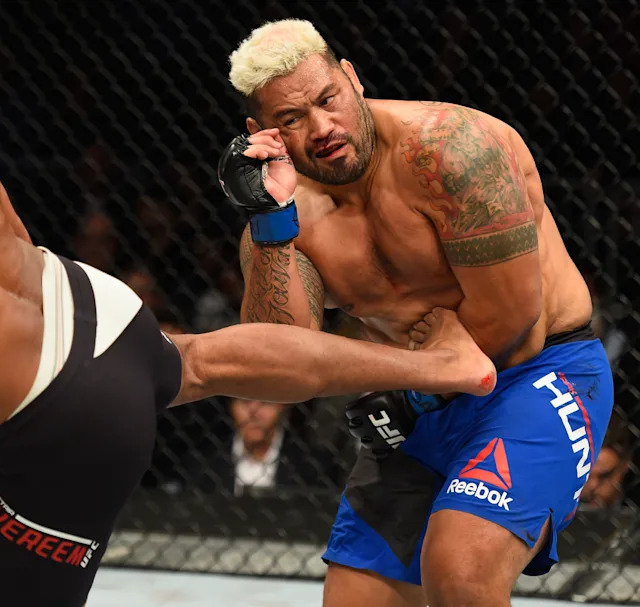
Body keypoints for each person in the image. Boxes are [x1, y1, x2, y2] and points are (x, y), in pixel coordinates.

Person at [0, 3, 496, 606]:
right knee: (195, 360)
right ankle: (442, 365)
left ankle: (444, 367)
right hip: (94, 309)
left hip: (53, 428)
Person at [221, 19, 614, 607]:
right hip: (415, 399)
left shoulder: (451, 151)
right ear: (261, 134)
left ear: (351, 78)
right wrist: (270, 223)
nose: (322, 128)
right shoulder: (288, 210)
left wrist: (415, 393)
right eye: (291, 120)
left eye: (328, 100)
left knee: (459, 572)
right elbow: (283, 364)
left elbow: (517, 323)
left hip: (536, 376)